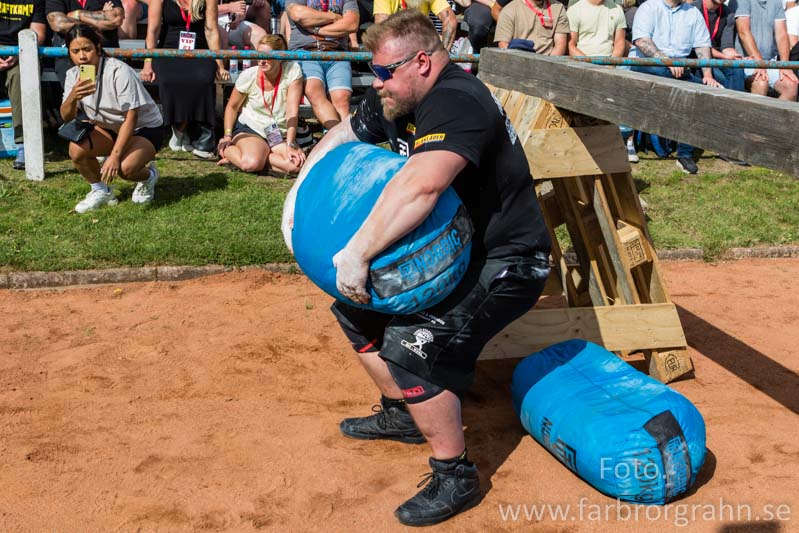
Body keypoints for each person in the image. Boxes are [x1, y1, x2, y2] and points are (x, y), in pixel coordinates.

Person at [283, 10, 551, 526]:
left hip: (509, 261)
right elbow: (344, 137)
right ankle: (403, 415)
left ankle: (456, 473)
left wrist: (358, 254)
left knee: (410, 347)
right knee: (354, 311)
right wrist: (299, 193)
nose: (375, 82)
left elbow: (421, 185)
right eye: (374, 72)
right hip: (450, 250)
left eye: (384, 72)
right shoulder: (396, 92)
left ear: (422, 62)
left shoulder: (457, 100)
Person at [60, 25, 163, 213]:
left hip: (143, 127)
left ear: (98, 48)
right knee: (76, 150)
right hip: (107, 127)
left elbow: (131, 117)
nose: (82, 56)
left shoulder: (118, 71)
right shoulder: (72, 75)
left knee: (125, 169)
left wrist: (114, 157)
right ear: (69, 53)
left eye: (87, 49)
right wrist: (73, 96)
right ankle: (101, 190)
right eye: (75, 51)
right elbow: (67, 117)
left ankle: (149, 176)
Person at [632, 0, 722, 174]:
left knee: (702, 90)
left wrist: (708, 76)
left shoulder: (693, 13)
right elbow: (642, 41)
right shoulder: (649, 7)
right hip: (648, 63)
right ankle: (682, 153)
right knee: (687, 86)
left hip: (680, 69)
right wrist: (666, 61)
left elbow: (702, 45)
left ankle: (685, 154)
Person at [140, 0, 229, 159]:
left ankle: (184, 130)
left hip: (199, 50)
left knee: (203, 79)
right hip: (168, 50)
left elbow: (211, 30)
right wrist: (147, 62)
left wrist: (220, 64)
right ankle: (182, 128)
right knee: (169, 79)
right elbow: (152, 31)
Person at [218, 34, 306, 173]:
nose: (261, 60)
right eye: (259, 55)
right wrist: (227, 136)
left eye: (267, 56)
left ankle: (257, 157)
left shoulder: (292, 70)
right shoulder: (249, 75)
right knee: (251, 164)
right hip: (252, 127)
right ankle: (227, 149)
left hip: (276, 132)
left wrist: (290, 144)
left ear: (280, 57)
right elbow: (232, 107)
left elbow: (292, 111)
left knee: (296, 164)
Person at [285, 0, 359, 129]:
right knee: (314, 90)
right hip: (305, 51)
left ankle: (340, 139)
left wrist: (315, 29)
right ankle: (339, 136)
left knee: (342, 99)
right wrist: (334, 17)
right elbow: (298, 14)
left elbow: (351, 24)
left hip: (337, 53)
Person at [0, 0, 47, 170]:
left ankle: (23, 145)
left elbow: (38, 33)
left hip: (22, 52)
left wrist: (20, 53)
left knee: (23, 74)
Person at [46, 0, 124, 87]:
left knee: (108, 95)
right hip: (69, 57)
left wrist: (77, 14)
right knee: (80, 95)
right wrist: (100, 19)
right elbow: (58, 23)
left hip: (104, 54)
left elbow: (115, 18)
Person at [735, 0, 798, 100]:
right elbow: (743, 31)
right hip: (746, 61)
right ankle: (754, 115)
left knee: (791, 85)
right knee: (761, 83)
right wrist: (759, 62)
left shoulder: (776, 2)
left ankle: (775, 116)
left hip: (769, 62)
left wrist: (785, 65)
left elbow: (781, 34)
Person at [494, 0, 570, 55]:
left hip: (547, 63)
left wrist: (549, 66)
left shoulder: (558, 8)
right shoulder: (509, 10)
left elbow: (560, 45)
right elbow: (503, 46)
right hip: (518, 60)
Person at [373, 0, 456, 50]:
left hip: (421, 41)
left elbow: (450, 20)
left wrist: (444, 48)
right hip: (396, 43)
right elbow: (382, 27)